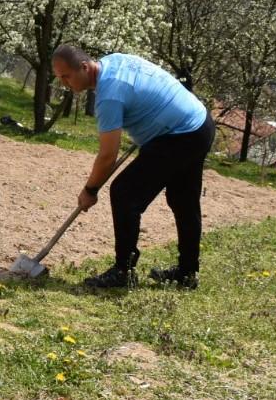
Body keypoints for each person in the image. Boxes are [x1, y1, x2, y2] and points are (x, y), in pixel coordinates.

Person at [51, 45, 216, 290]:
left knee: (124, 192)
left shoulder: (109, 96)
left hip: (180, 133)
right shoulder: (114, 61)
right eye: (60, 78)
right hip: (199, 123)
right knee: (183, 200)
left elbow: (108, 156)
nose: (65, 83)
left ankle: (123, 271)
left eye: (67, 76)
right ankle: (187, 273)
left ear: (84, 67)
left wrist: (90, 190)